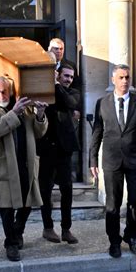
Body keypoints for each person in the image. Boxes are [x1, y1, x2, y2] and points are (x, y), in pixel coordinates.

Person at [89, 64, 136, 258]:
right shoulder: (102, 103)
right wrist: (92, 160)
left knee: (135, 201)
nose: (125, 81)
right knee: (112, 204)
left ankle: (132, 237)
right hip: (111, 161)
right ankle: (114, 241)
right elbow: (97, 133)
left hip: (135, 160)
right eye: (121, 77)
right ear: (113, 80)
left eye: (127, 77)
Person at [0, 76, 47, 262]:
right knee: (6, 207)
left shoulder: (23, 107)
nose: (1, 95)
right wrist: (14, 112)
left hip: (25, 162)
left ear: (10, 90)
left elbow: (39, 132)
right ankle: (11, 243)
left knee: (27, 201)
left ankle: (18, 232)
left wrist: (40, 115)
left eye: (4, 91)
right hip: (4, 164)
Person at [38, 63, 80, 245]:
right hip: (46, 149)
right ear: (58, 74)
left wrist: (56, 84)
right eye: (66, 76)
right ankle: (48, 228)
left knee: (67, 190)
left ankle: (66, 229)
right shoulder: (45, 91)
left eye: (71, 77)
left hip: (64, 150)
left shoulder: (72, 93)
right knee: (45, 191)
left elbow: (69, 103)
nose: (69, 80)